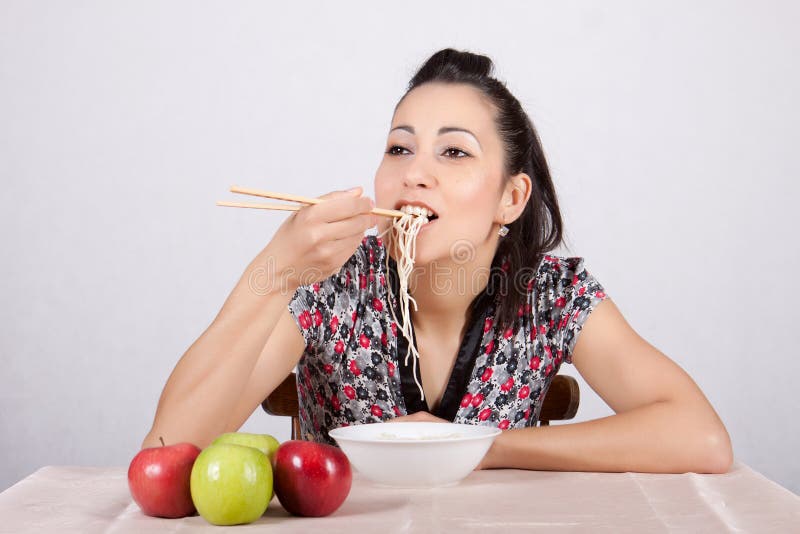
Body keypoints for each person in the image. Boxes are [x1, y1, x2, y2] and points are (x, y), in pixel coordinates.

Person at [142, 49, 733, 474]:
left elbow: (701, 438)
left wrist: (477, 446)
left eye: (454, 151)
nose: (414, 173)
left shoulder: (548, 293)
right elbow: (166, 449)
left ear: (512, 198)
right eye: (399, 148)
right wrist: (275, 270)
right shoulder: (330, 284)